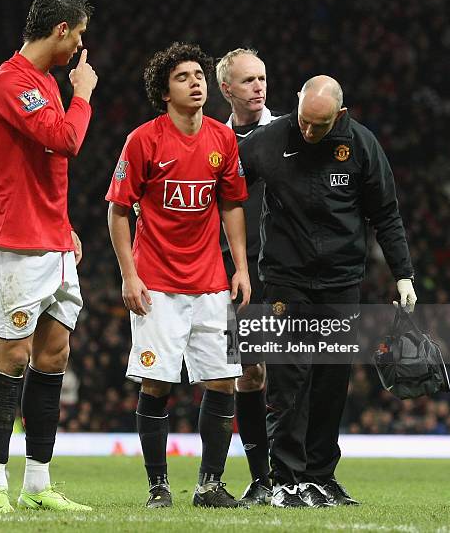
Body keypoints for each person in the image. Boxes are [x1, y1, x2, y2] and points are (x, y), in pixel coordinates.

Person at [239, 75, 417, 508]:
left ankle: (320, 476)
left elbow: (386, 213)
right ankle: (285, 478)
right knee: (290, 375)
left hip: (340, 280)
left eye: (319, 125)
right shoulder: (266, 141)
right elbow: (223, 189)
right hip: (286, 277)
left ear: (339, 115)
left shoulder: (360, 145)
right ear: (296, 105)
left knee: (332, 377)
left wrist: (403, 274)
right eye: (303, 120)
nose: (308, 131)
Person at [107, 42, 250, 509]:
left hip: (210, 282)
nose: (195, 82)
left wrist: (241, 267)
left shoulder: (222, 139)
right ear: (164, 91)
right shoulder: (143, 140)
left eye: (199, 75)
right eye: (183, 77)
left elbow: (230, 203)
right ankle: (158, 487)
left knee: (224, 381)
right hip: (157, 285)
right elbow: (118, 210)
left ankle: (209, 484)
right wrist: (129, 275)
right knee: (157, 384)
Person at [0, 0, 98, 514]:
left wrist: (65, 224)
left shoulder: (45, 82)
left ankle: (37, 483)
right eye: (79, 36)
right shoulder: (10, 82)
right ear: (61, 31)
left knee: (54, 356)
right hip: (17, 241)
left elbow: (49, 168)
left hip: (53, 239)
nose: (80, 49)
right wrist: (84, 98)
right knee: (11, 357)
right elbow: (64, 140)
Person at [216, 48, 279, 505]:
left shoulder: (286, 134)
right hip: (234, 273)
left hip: (286, 269)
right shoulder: (214, 140)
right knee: (249, 373)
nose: (258, 86)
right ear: (227, 89)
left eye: (262, 78)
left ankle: (305, 470)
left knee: (298, 372)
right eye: (248, 80)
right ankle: (262, 477)